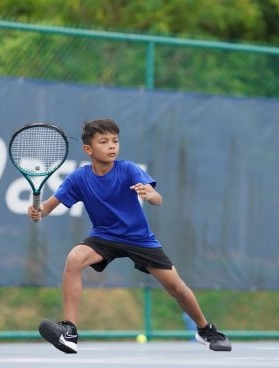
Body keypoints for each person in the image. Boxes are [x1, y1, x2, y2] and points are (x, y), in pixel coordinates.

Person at [28, 118, 232, 353]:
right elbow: (47, 208)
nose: (112, 146)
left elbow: (157, 199)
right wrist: (37, 211)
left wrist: (150, 193)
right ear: (88, 149)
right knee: (74, 258)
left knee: (177, 288)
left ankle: (206, 329)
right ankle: (70, 330)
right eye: (104, 142)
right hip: (104, 237)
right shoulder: (79, 179)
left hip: (139, 239)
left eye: (115, 141)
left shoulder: (128, 169)